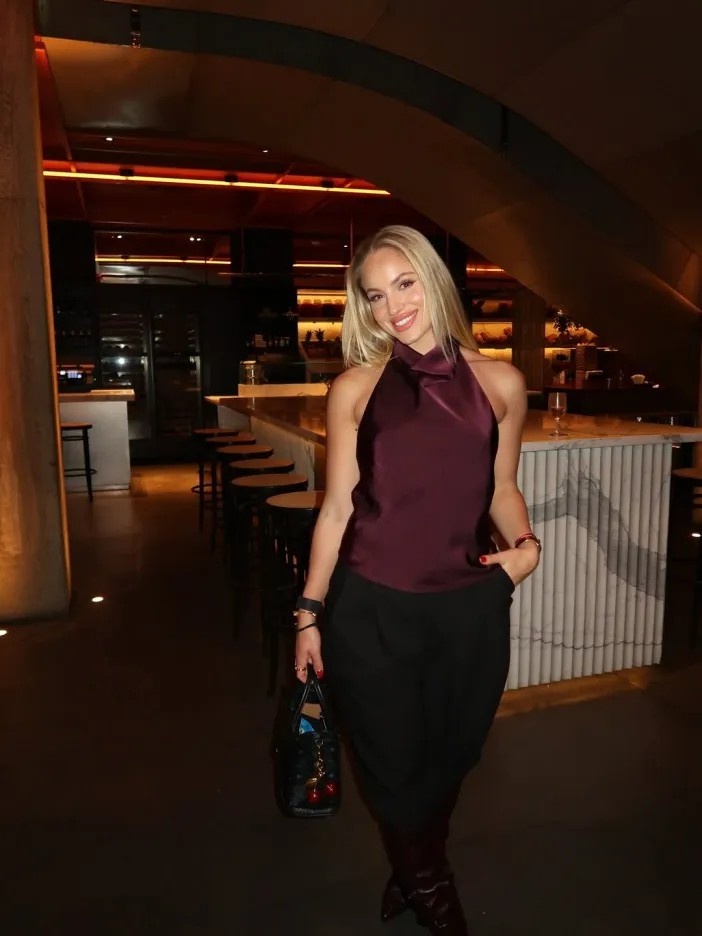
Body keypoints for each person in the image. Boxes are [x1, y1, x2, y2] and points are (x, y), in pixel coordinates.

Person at [293, 226, 540, 934]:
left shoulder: (501, 383)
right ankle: (432, 888)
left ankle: (411, 867)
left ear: (433, 280)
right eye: (374, 295)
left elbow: (501, 488)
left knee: (452, 755)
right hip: (370, 607)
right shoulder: (355, 388)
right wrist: (308, 613)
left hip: (468, 606)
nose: (393, 305)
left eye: (404, 284)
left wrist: (526, 547)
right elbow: (337, 509)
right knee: (392, 762)